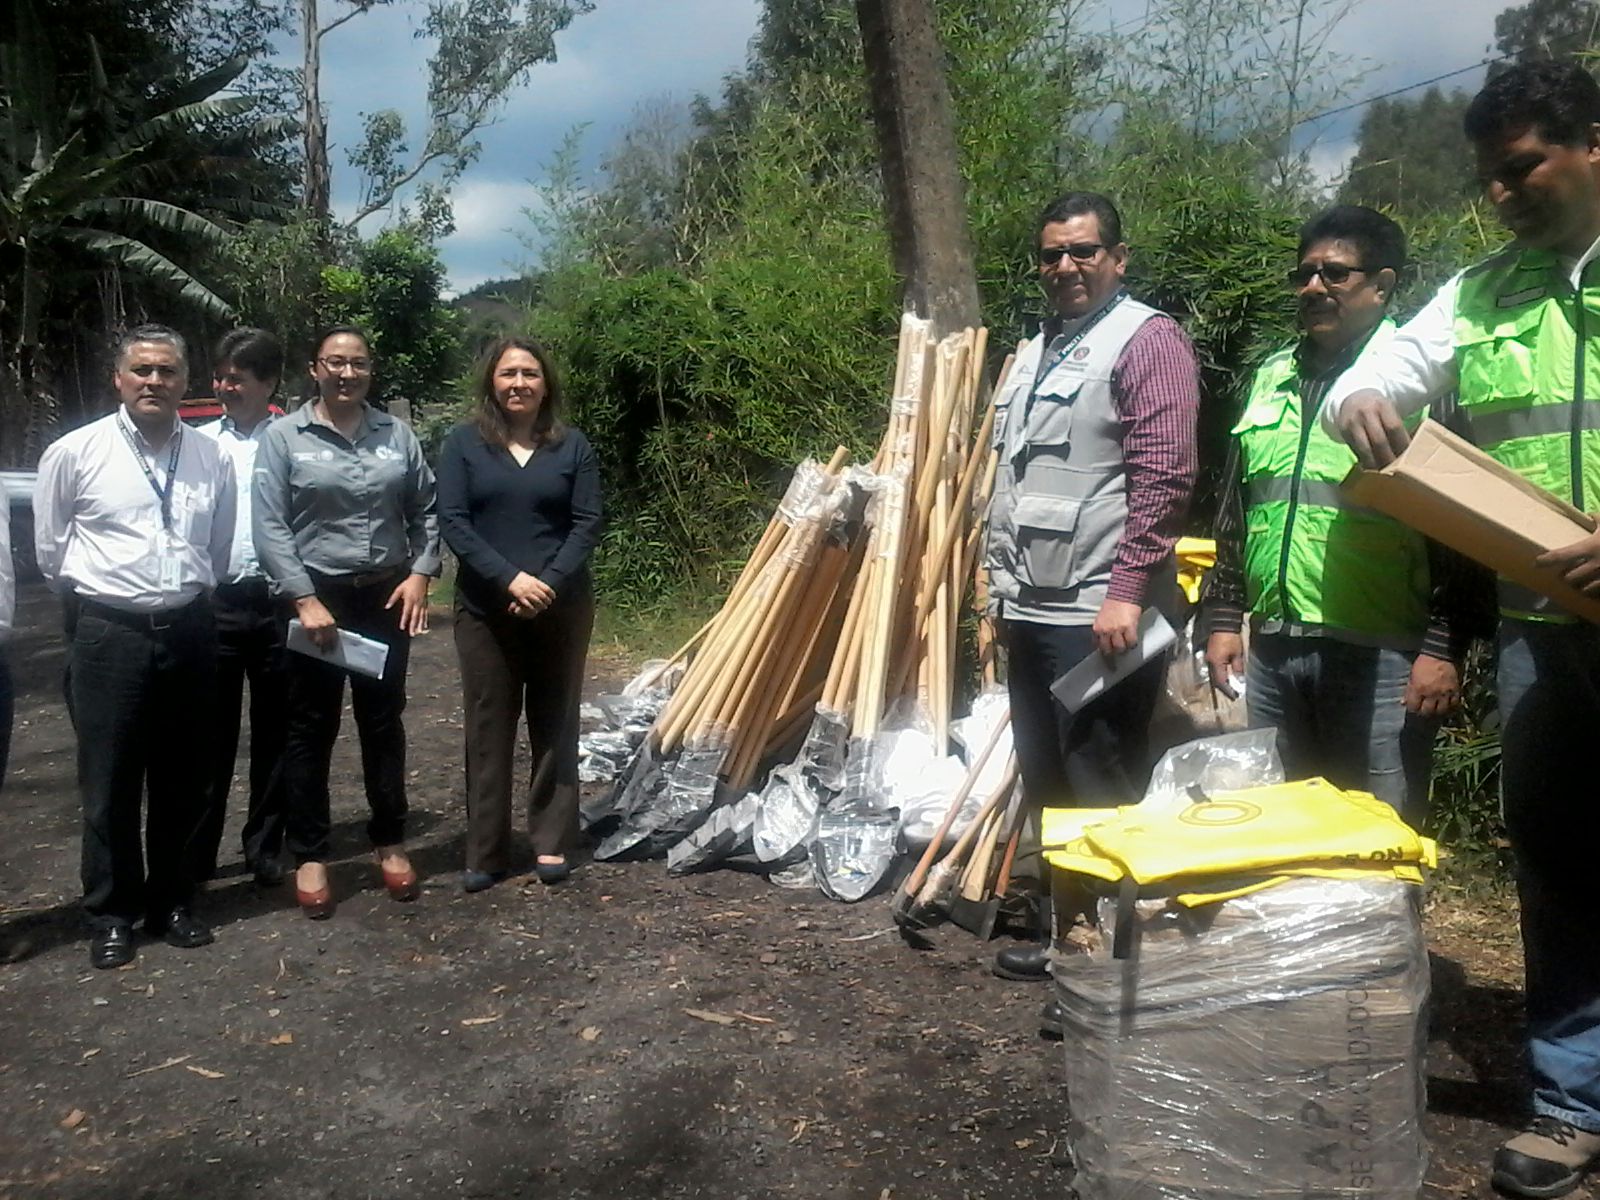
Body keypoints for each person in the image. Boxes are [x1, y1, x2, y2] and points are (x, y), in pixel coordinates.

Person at [1322, 61, 1600, 1199]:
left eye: (1521, 166)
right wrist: (1361, 399)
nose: (1501, 194)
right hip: (1547, 637)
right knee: (1561, 873)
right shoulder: (1482, 293)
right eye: (1489, 177)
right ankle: (1573, 1103)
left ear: (1592, 143)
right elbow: (1383, 364)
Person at [983, 191, 1199, 996]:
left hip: (1099, 613)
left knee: (1101, 783)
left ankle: (1115, 964)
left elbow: (1166, 477)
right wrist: (998, 593)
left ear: (1117, 257)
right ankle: (1069, 939)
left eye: (1082, 251)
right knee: (1050, 784)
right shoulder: (1041, 347)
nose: (1065, 266)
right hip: (1033, 606)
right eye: (1052, 255)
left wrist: (1128, 591)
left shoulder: (1147, 342)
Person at [1202, 206, 1478, 825]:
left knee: (1380, 830)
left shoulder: (1421, 383)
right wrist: (1223, 616)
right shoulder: (1271, 374)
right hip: (1274, 648)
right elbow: (1236, 508)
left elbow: (1464, 523)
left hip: (1381, 653)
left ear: (1382, 286)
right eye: (1305, 274)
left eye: (1334, 274)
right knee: (1286, 826)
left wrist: (1444, 645)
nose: (1314, 288)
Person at [33, 324, 236, 968]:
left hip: (191, 631)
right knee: (110, 782)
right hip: (108, 634)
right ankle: (111, 913)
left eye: (168, 371)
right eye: (143, 370)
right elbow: (51, 552)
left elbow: (220, 546)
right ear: (118, 379)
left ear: (186, 381)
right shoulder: (75, 452)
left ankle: (173, 902)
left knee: (185, 780)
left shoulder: (211, 456)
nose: (155, 381)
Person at [253, 325, 441, 919]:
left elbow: (425, 510)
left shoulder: (397, 435)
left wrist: (421, 573)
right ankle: (310, 852)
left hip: (385, 595)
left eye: (358, 363)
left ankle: (389, 840)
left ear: (370, 371)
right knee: (310, 727)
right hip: (317, 598)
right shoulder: (284, 437)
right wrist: (303, 598)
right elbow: (270, 524)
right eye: (335, 362)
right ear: (315, 369)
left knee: (383, 722)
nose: (346, 373)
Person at [436, 337, 602, 891]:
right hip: (486, 608)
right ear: (491, 382)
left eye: (530, 373)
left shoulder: (571, 446)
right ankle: (486, 850)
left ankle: (552, 842)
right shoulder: (464, 444)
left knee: (556, 721)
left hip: (562, 606)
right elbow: (453, 522)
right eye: (508, 373)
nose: (519, 383)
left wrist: (546, 583)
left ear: (545, 385)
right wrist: (509, 578)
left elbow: (586, 523)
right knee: (489, 726)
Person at [193, 328, 290, 886]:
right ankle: (200, 852)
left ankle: (265, 846)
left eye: (238, 377)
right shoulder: (202, 444)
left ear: (269, 382)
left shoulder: (292, 440)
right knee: (210, 735)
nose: (226, 386)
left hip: (279, 604)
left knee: (276, 732)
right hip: (218, 605)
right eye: (221, 376)